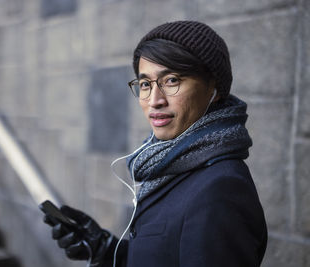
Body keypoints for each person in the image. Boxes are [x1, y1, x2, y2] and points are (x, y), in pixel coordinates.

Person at [42, 20, 268, 267]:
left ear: (214, 87)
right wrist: (105, 249)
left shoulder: (220, 189)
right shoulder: (170, 165)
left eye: (172, 80)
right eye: (145, 84)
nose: (154, 100)